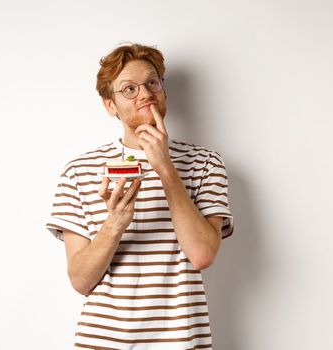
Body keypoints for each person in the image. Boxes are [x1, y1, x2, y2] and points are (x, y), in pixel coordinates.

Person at [46, 43, 234, 349]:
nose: (145, 94)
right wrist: (115, 223)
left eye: (151, 82)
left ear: (164, 92)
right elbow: (80, 280)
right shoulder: (79, 171)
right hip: (103, 342)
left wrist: (165, 168)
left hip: (182, 341)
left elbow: (202, 255)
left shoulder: (206, 163)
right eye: (129, 89)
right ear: (110, 105)